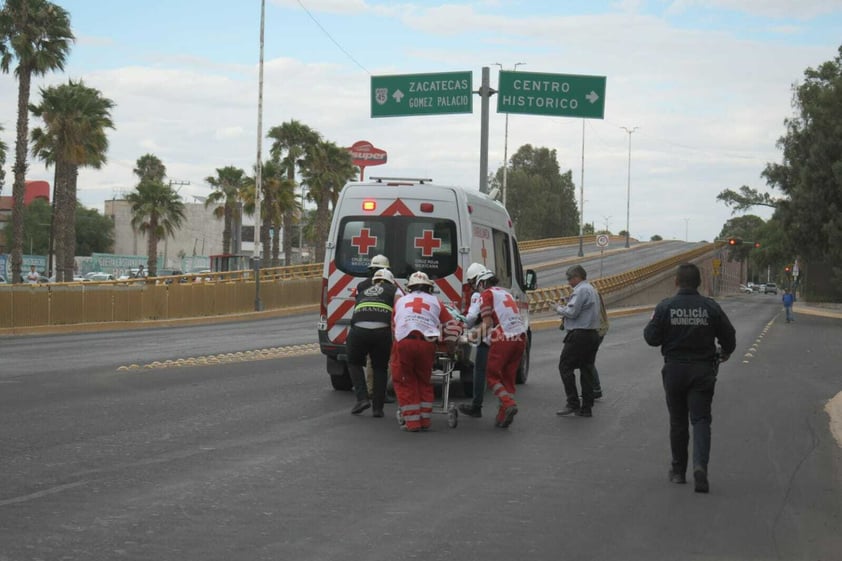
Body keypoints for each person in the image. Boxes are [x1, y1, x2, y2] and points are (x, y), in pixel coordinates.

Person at [644, 263, 736, 494]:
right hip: (702, 371)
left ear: (676, 282)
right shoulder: (710, 307)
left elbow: (651, 338)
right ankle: (700, 467)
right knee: (701, 420)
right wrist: (724, 352)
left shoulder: (666, 306)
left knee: (678, 421)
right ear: (700, 283)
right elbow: (729, 336)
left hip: (674, 370)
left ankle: (678, 471)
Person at [391, 271, 461, 432]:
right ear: (429, 288)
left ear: (410, 287)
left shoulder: (401, 301)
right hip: (427, 344)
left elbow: (394, 328)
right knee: (424, 380)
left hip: (405, 343)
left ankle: (412, 423)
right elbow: (452, 325)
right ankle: (424, 420)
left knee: (406, 381)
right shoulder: (436, 302)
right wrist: (451, 346)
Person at [476, 269, 527, 428]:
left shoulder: (486, 294)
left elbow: (488, 323)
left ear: (482, 283)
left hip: (504, 337)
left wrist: (471, 336)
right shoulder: (506, 294)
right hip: (520, 336)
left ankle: (508, 403)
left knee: (492, 376)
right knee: (508, 377)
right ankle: (502, 414)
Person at [346, 267, 399, 417]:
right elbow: (401, 308)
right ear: (391, 281)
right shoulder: (394, 290)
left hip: (358, 331)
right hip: (381, 332)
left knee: (354, 362)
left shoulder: (364, 290)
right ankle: (378, 409)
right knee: (380, 368)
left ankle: (362, 398)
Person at [555, 265, 601, 418]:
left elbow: (572, 312)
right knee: (586, 369)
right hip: (592, 334)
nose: (569, 282)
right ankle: (587, 407)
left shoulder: (580, 290)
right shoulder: (592, 290)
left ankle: (572, 402)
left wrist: (558, 308)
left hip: (579, 335)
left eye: (569, 279)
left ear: (577, 277)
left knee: (565, 366)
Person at [457, 262, 490, 419]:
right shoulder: (498, 291)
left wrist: (459, 325)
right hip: (508, 336)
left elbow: (471, 318)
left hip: (488, 337)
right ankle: (506, 404)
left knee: (479, 370)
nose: (471, 286)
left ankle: (476, 406)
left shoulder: (479, 294)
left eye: (471, 282)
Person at [581, 288, 610, 400]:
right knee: (587, 361)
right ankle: (594, 389)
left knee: (587, 361)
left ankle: (595, 389)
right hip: (599, 329)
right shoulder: (591, 291)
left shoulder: (588, 293)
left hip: (597, 330)